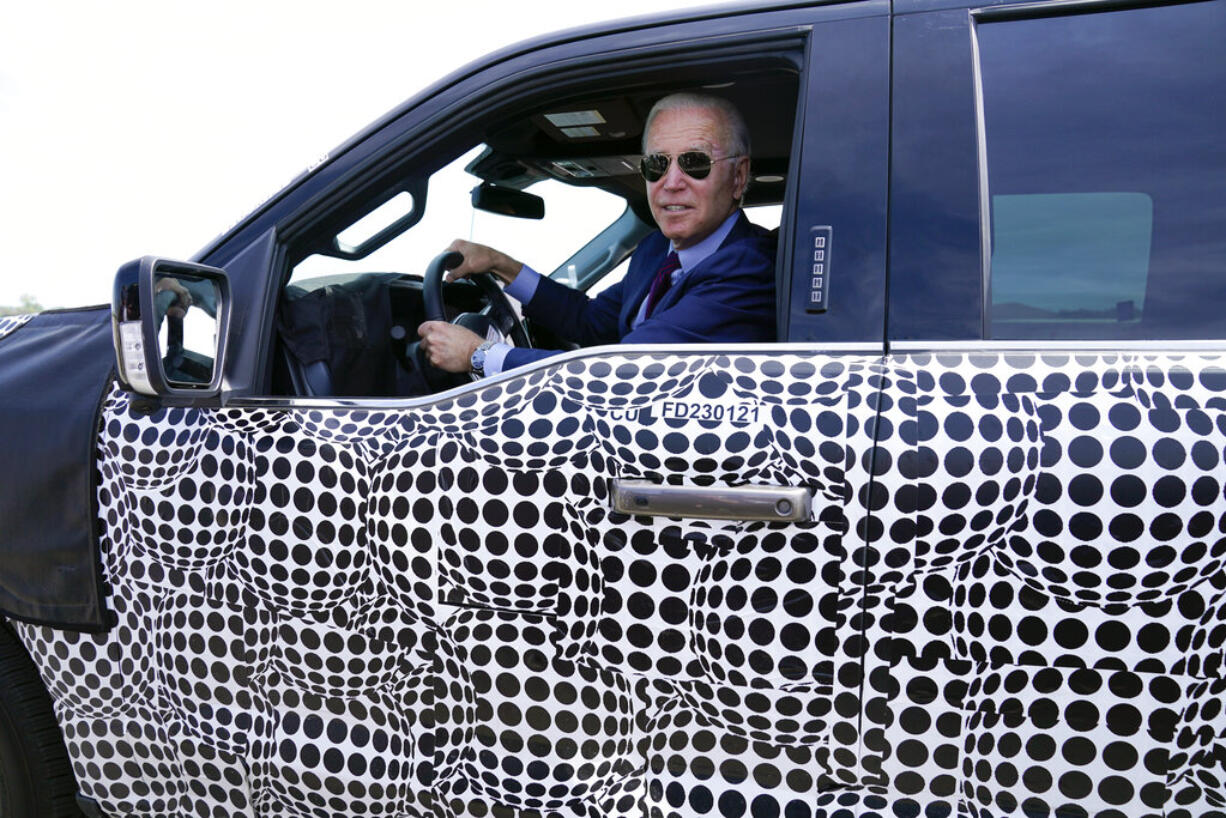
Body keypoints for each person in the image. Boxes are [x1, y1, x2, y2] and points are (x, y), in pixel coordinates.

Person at [416, 92, 776, 376]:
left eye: (695, 163)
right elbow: (590, 321)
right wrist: (501, 265)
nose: (672, 183)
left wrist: (478, 356)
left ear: (739, 178)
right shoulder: (656, 250)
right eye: (657, 164)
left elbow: (621, 372)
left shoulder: (749, 268)